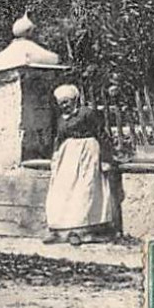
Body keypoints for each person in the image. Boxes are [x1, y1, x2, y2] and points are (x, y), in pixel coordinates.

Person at [44, 84, 120, 245]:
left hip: (88, 153)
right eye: (61, 103)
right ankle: (61, 231)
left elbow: (102, 134)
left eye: (66, 102)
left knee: (86, 190)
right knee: (63, 191)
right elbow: (59, 138)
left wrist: (107, 159)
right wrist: (56, 155)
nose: (64, 106)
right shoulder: (60, 119)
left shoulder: (88, 113)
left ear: (75, 100)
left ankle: (84, 231)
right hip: (68, 157)